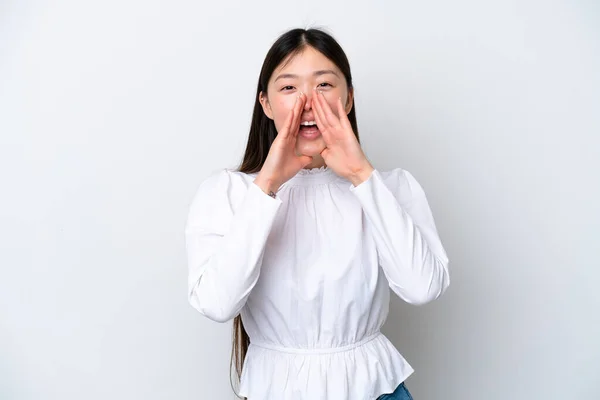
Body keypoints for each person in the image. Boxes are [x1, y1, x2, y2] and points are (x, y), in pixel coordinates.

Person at [185, 27, 450, 400]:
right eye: (289, 87)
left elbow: (422, 287)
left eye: (324, 85)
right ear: (265, 104)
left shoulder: (391, 188)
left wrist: (362, 176)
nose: (308, 102)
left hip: (376, 389)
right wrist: (267, 186)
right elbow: (217, 303)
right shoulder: (227, 193)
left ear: (349, 98)